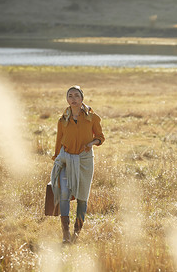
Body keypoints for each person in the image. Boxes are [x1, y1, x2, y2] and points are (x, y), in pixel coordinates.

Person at [50, 85, 105, 244]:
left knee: (82, 197)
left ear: (82, 99)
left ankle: (77, 232)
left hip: (85, 161)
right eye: (70, 96)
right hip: (66, 159)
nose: (73, 99)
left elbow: (101, 137)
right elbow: (59, 141)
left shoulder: (92, 118)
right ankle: (65, 232)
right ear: (67, 99)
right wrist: (56, 160)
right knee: (64, 194)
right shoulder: (63, 119)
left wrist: (92, 143)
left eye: (76, 96)